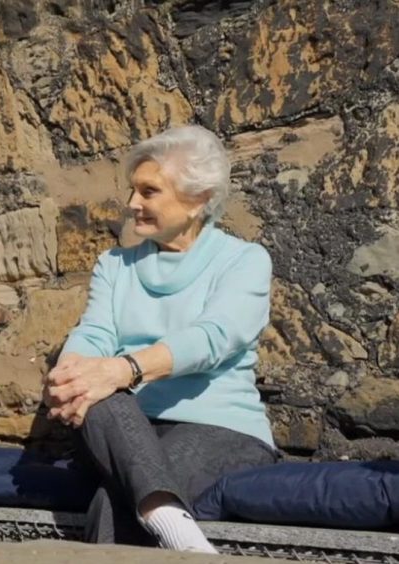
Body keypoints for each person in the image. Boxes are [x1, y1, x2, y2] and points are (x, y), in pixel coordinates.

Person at [43, 125, 278, 553]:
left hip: (221, 427)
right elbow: (94, 332)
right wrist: (71, 375)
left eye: (149, 192)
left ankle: (169, 521)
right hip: (121, 426)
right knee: (99, 388)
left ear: (199, 199)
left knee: (112, 503)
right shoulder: (115, 265)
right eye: (133, 191)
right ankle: (171, 520)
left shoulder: (243, 261)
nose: (132, 204)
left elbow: (214, 338)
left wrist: (124, 368)